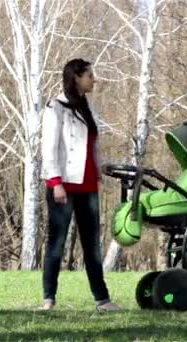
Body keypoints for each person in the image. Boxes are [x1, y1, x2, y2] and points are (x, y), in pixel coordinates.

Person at [40, 58, 118, 311]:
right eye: (89, 76)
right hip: (64, 185)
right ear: (76, 77)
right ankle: (49, 299)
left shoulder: (88, 108)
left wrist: (100, 169)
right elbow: (49, 148)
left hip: (88, 187)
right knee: (57, 243)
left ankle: (102, 300)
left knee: (92, 245)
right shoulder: (56, 107)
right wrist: (56, 182)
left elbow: (91, 145)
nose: (94, 80)